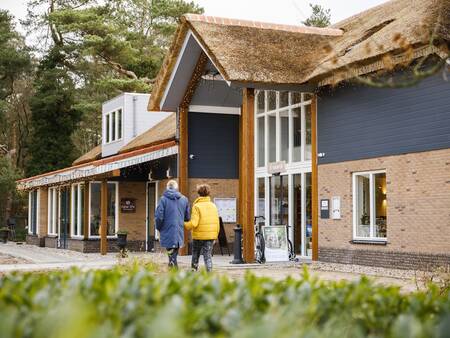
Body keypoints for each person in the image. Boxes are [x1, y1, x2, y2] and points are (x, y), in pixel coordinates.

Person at [155, 180, 190, 268]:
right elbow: (187, 217)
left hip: (167, 230)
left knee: (171, 256)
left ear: (167, 187)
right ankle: (174, 273)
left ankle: (174, 274)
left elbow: (159, 217)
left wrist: (159, 228)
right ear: (176, 188)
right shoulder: (184, 199)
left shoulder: (163, 199)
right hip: (178, 231)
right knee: (173, 255)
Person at [185, 184, 219, 272]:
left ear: (198, 193)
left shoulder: (196, 206)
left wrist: (183, 224)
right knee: (208, 257)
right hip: (210, 237)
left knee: (195, 255)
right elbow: (217, 223)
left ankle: (193, 273)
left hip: (198, 237)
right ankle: (209, 276)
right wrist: (215, 236)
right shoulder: (213, 206)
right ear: (208, 193)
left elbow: (194, 223)